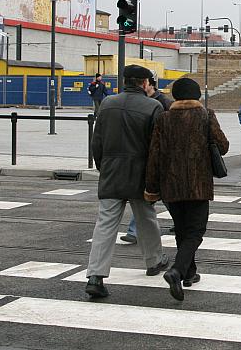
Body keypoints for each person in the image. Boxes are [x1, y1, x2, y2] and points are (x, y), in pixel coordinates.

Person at [85, 65, 169, 299]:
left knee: (105, 224)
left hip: (112, 172)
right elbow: (157, 146)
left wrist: (105, 167)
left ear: (125, 81)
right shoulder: (154, 106)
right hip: (140, 173)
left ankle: (95, 275)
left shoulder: (108, 104)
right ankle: (154, 261)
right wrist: (156, 177)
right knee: (146, 218)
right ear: (145, 83)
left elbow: (97, 143)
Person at [145, 77, 229, 301]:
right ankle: (177, 271)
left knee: (182, 229)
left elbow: (154, 155)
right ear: (197, 96)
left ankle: (189, 273)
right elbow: (223, 145)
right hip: (197, 184)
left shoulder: (164, 118)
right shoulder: (206, 115)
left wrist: (151, 188)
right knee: (195, 231)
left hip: (170, 185)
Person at [122, 72, 175, 244]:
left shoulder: (164, 103)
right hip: (145, 156)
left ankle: (135, 230)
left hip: (160, 156)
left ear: (150, 85)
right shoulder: (143, 103)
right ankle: (134, 230)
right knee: (149, 195)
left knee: (160, 195)